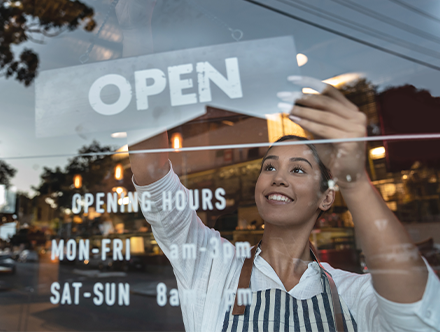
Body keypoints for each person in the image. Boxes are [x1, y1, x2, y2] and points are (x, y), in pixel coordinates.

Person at [129, 77, 440, 332]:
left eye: (298, 169)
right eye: (269, 167)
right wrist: (137, 35)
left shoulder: (353, 293)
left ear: (327, 197)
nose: (278, 177)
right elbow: (153, 177)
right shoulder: (211, 266)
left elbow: (418, 316)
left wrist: (354, 180)